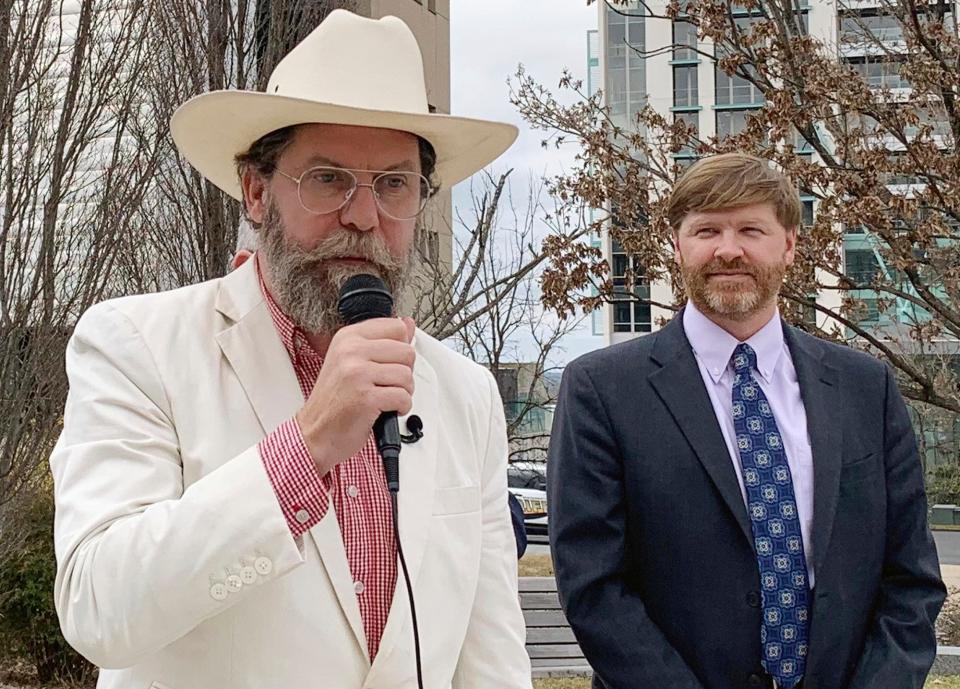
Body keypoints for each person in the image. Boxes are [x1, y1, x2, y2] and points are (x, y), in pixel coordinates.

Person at [50, 10, 531, 689]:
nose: (365, 216)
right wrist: (304, 449)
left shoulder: (464, 392)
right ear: (255, 189)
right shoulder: (137, 346)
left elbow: (492, 659)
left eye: (394, 183)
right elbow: (98, 606)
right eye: (329, 178)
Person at [548, 153, 945, 689]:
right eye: (706, 229)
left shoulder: (864, 386)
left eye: (750, 229)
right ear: (677, 246)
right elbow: (593, 587)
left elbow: (911, 578)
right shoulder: (602, 388)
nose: (727, 249)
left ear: (789, 245)